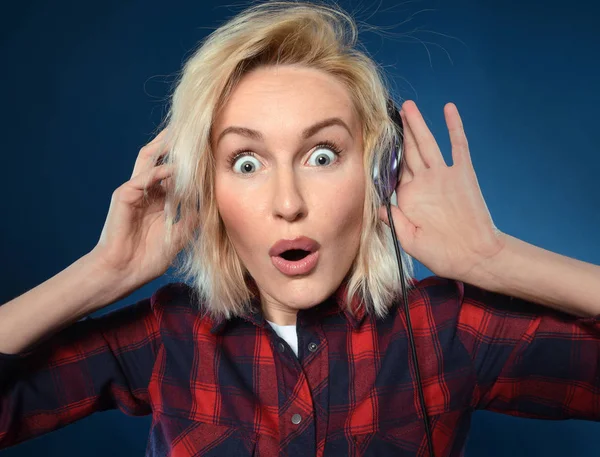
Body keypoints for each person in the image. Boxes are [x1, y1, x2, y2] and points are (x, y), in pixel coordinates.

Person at [1, 1, 599, 456]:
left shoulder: (445, 333)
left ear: (377, 175)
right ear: (207, 190)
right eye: (246, 162)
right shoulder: (170, 338)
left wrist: (495, 259)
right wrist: (98, 274)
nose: (288, 203)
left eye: (321, 156)